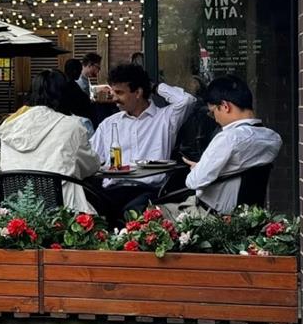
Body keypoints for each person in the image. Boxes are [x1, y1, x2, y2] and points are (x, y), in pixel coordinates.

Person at [164, 75, 281, 216]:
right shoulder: (273, 138)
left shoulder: (228, 138)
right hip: (248, 215)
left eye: (213, 112)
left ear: (225, 106)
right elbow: (240, 164)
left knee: (150, 213)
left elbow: (193, 182)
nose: (215, 119)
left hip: (210, 215)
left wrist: (198, 168)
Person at [90, 64, 195, 214]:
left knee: (134, 211)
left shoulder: (165, 118)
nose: (114, 97)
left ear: (138, 92)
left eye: (119, 92)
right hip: (112, 190)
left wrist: (154, 87)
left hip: (149, 192)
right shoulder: (109, 124)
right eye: (113, 91)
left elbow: (187, 100)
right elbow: (91, 159)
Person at [0, 70, 100, 213]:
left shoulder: (9, 126)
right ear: (65, 94)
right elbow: (91, 166)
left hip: (19, 213)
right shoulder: (72, 127)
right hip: (65, 214)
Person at [62, 58, 96, 128]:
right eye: (79, 70)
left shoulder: (70, 83)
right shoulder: (70, 85)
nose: (80, 73)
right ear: (74, 71)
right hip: (77, 121)